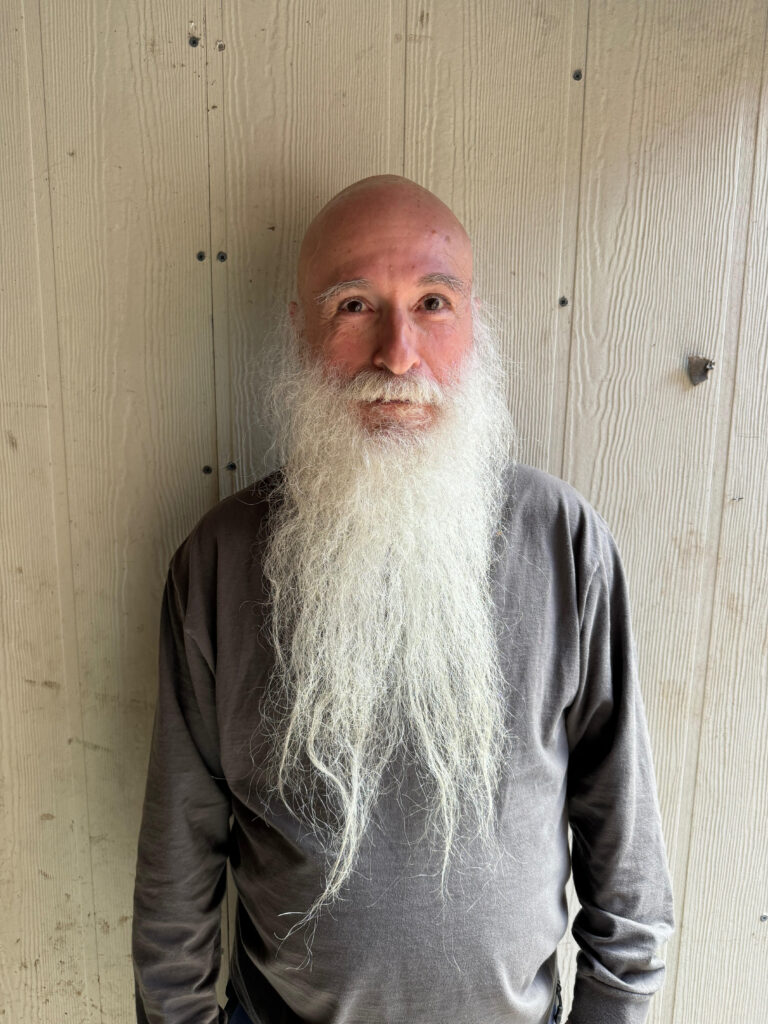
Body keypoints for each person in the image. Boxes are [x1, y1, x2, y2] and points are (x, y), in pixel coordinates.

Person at [132, 175, 674, 1024]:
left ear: (474, 322)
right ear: (298, 328)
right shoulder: (219, 563)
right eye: (353, 306)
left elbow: (626, 847)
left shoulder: (564, 544)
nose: (397, 354)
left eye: (431, 302)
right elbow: (178, 866)